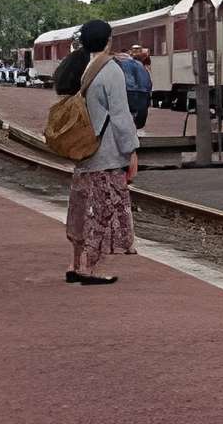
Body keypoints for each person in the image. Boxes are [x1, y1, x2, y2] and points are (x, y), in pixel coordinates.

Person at [53, 20, 138, 286]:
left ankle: (74, 264)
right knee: (102, 212)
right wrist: (131, 150)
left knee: (81, 210)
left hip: (83, 151)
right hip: (106, 153)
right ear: (108, 40)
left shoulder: (78, 64)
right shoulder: (110, 70)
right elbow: (121, 115)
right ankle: (91, 268)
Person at [119, 45, 152, 130]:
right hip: (139, 93)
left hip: (122, 92)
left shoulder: (115, 64)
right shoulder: (138, 65)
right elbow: (145, 83)